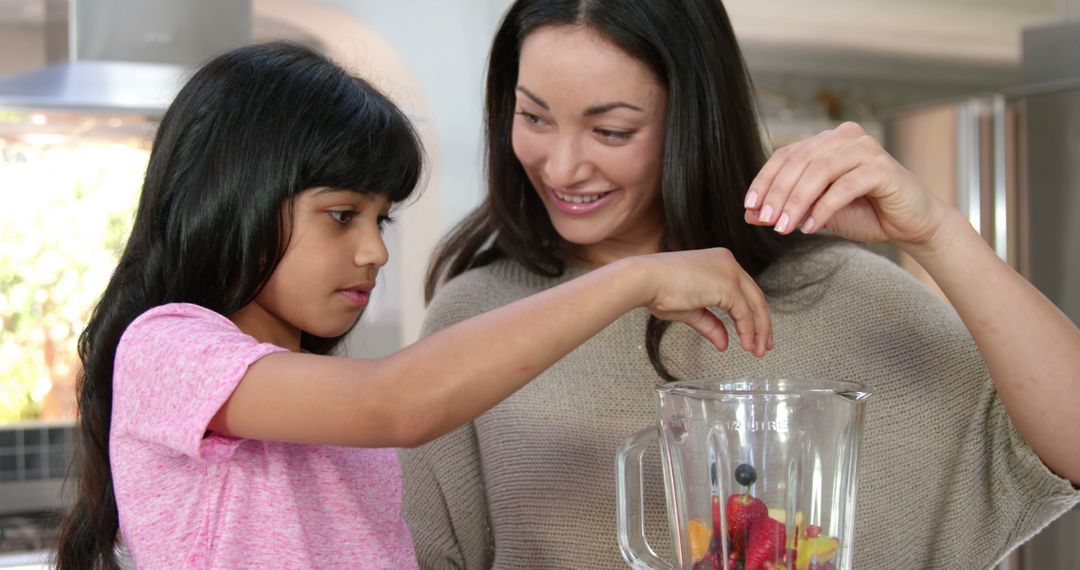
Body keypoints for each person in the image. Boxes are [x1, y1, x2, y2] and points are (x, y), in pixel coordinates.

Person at [397, 1, 1080, 568]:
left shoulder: (851, 296)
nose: (563, 165)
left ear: (692, 122)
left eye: (611, 129)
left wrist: (936, 230)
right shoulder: (475, 314)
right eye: (534, 116)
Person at [51, 41, 776, 570]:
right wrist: (633, 280)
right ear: (234, 196)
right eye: (342, 216)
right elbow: (396, 404)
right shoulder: (167, 348)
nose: (375, 251)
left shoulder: (315, 412)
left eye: (382, 219)